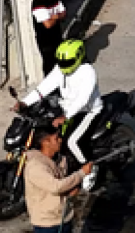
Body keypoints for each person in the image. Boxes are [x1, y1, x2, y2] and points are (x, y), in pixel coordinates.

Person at [18, 39, 105, 190]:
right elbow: (44, 88)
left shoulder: (87, 71)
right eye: (61, 62)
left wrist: (65, 116)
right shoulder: (60, 68)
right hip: (66, 108)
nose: (63, 66)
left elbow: (82, 99)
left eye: (68, 62)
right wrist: (25, 102)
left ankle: (89, 169)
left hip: (88, 111)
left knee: (73, 142)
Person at [30, 0, 67, 74]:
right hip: (46, 42)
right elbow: (48, 25)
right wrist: (56, 16)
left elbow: (63, 13)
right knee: (50, 66)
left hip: (57, 37)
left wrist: (55, 17)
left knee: (62, 64)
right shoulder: (38, 3)